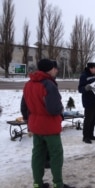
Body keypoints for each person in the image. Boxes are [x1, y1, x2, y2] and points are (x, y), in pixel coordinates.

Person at [21, 59, 74, 188]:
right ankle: (58, 184)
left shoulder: (28, 84)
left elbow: (24, 107)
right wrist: (60, 110)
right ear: (49, 69)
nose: (55, 70)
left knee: (38, 154)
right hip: (49, 126)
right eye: (53, 68)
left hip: (35, 125)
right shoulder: (49, 85)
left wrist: (29, 121)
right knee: (56, 155)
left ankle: (37, 183)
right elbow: (53, 109)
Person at [78, 62, 95, 144]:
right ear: (89, 68)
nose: (94, 70)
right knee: (88, 120)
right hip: (88, 102)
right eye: (93, 68)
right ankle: (85, 137)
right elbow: (80, 89)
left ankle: (91, 135)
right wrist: (86, 88)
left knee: (94, 119)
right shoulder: (84, 76)